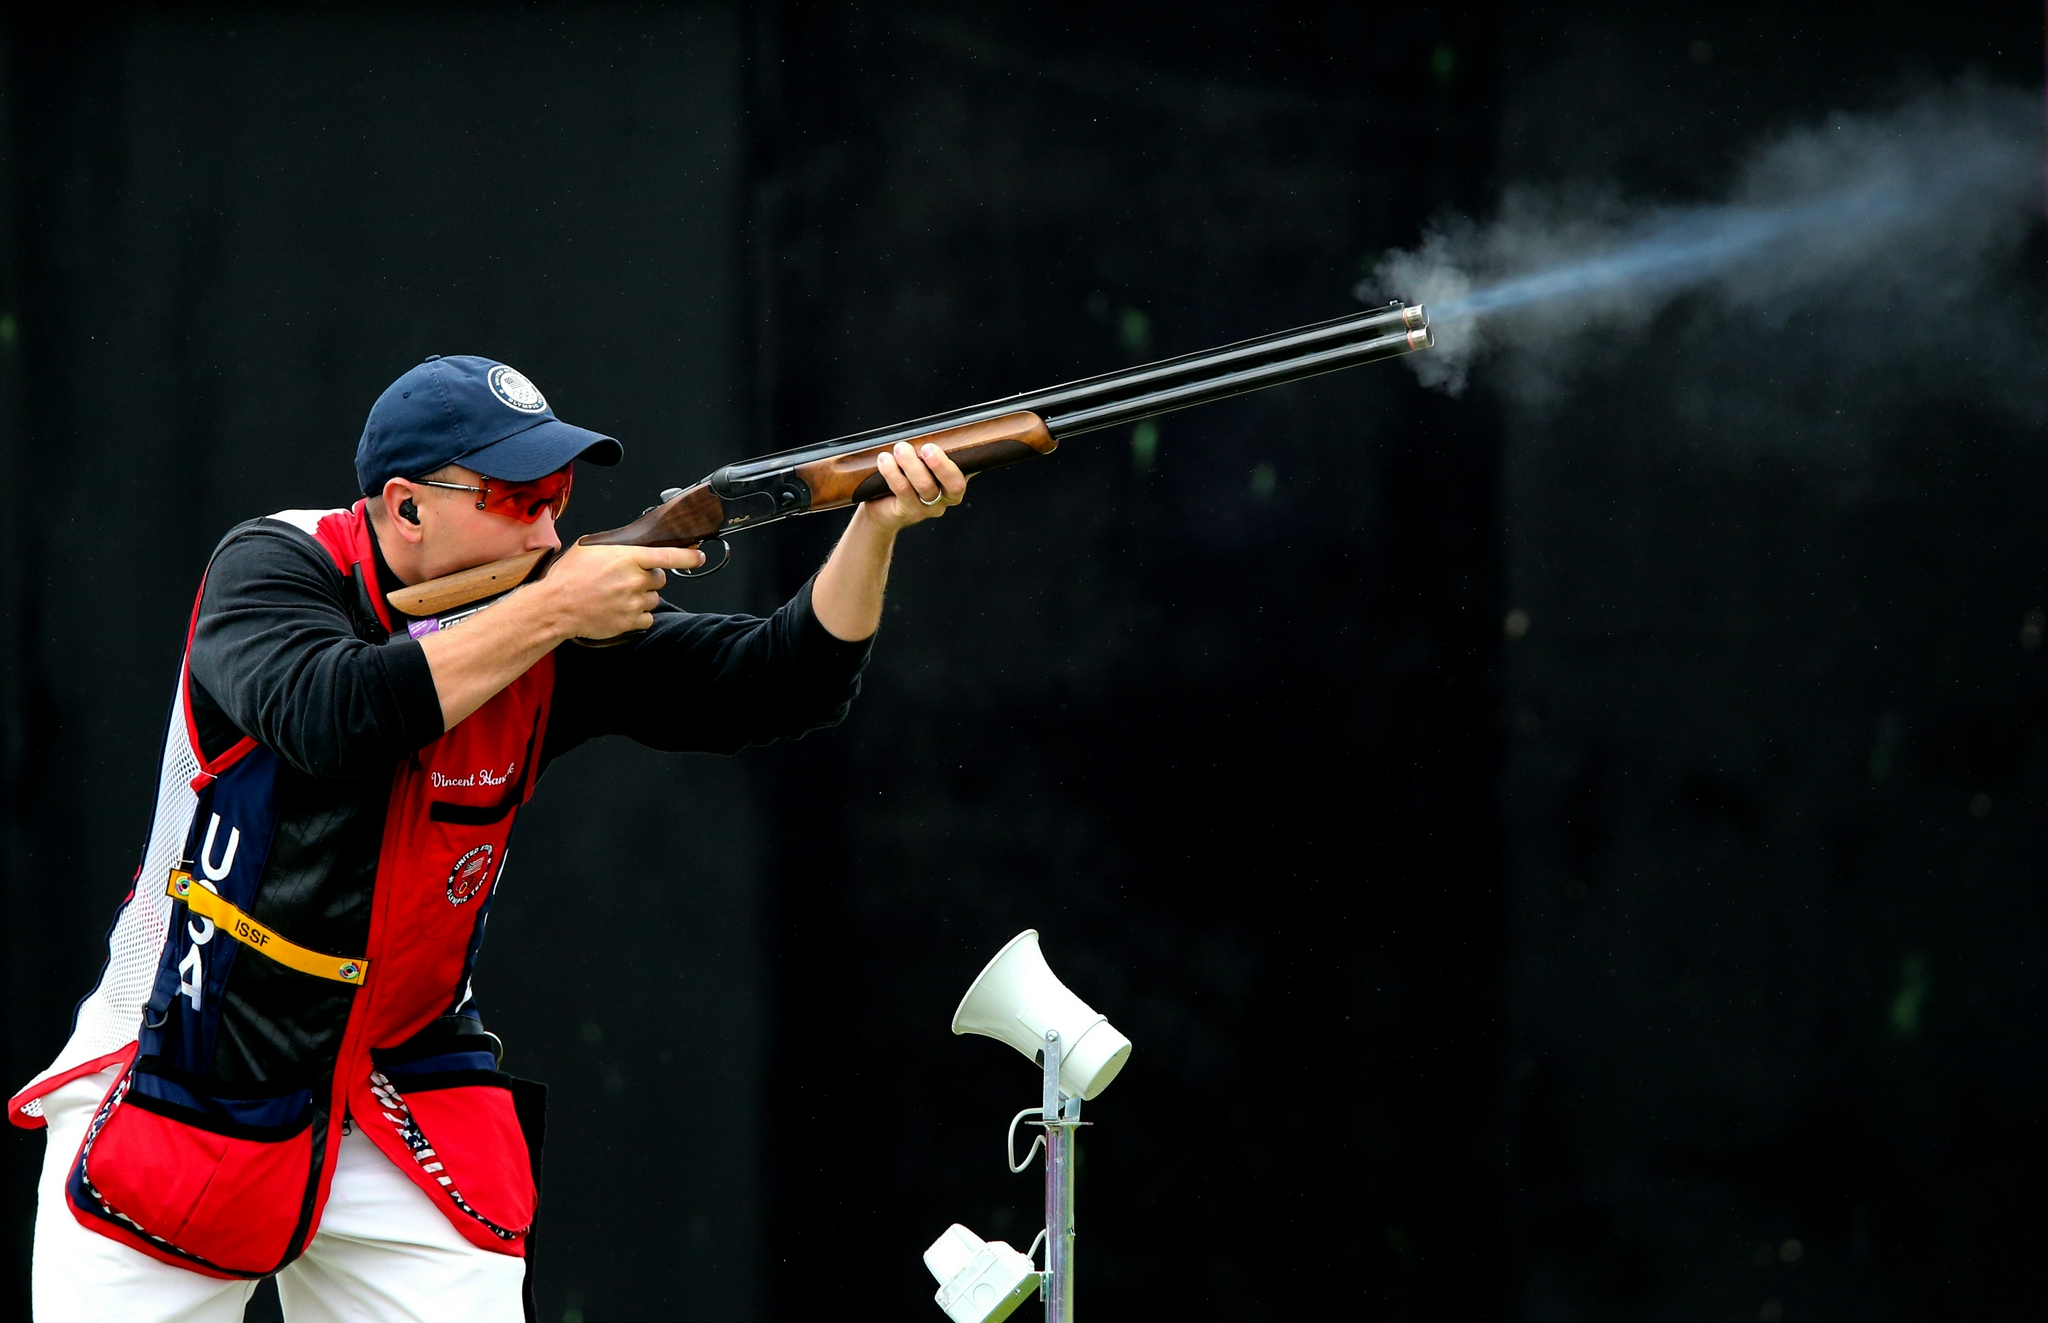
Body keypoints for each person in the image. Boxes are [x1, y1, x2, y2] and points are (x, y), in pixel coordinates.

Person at [9, 354, 968, 1321]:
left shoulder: (555, 611)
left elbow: (781, 680)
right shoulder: (274, 564)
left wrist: (874, 526)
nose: (551, 527)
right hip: (188, 1063)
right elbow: (327, 715)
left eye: (558, 495)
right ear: (404, 506)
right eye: (517, 498)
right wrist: (554, 608)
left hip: (402, 1080)